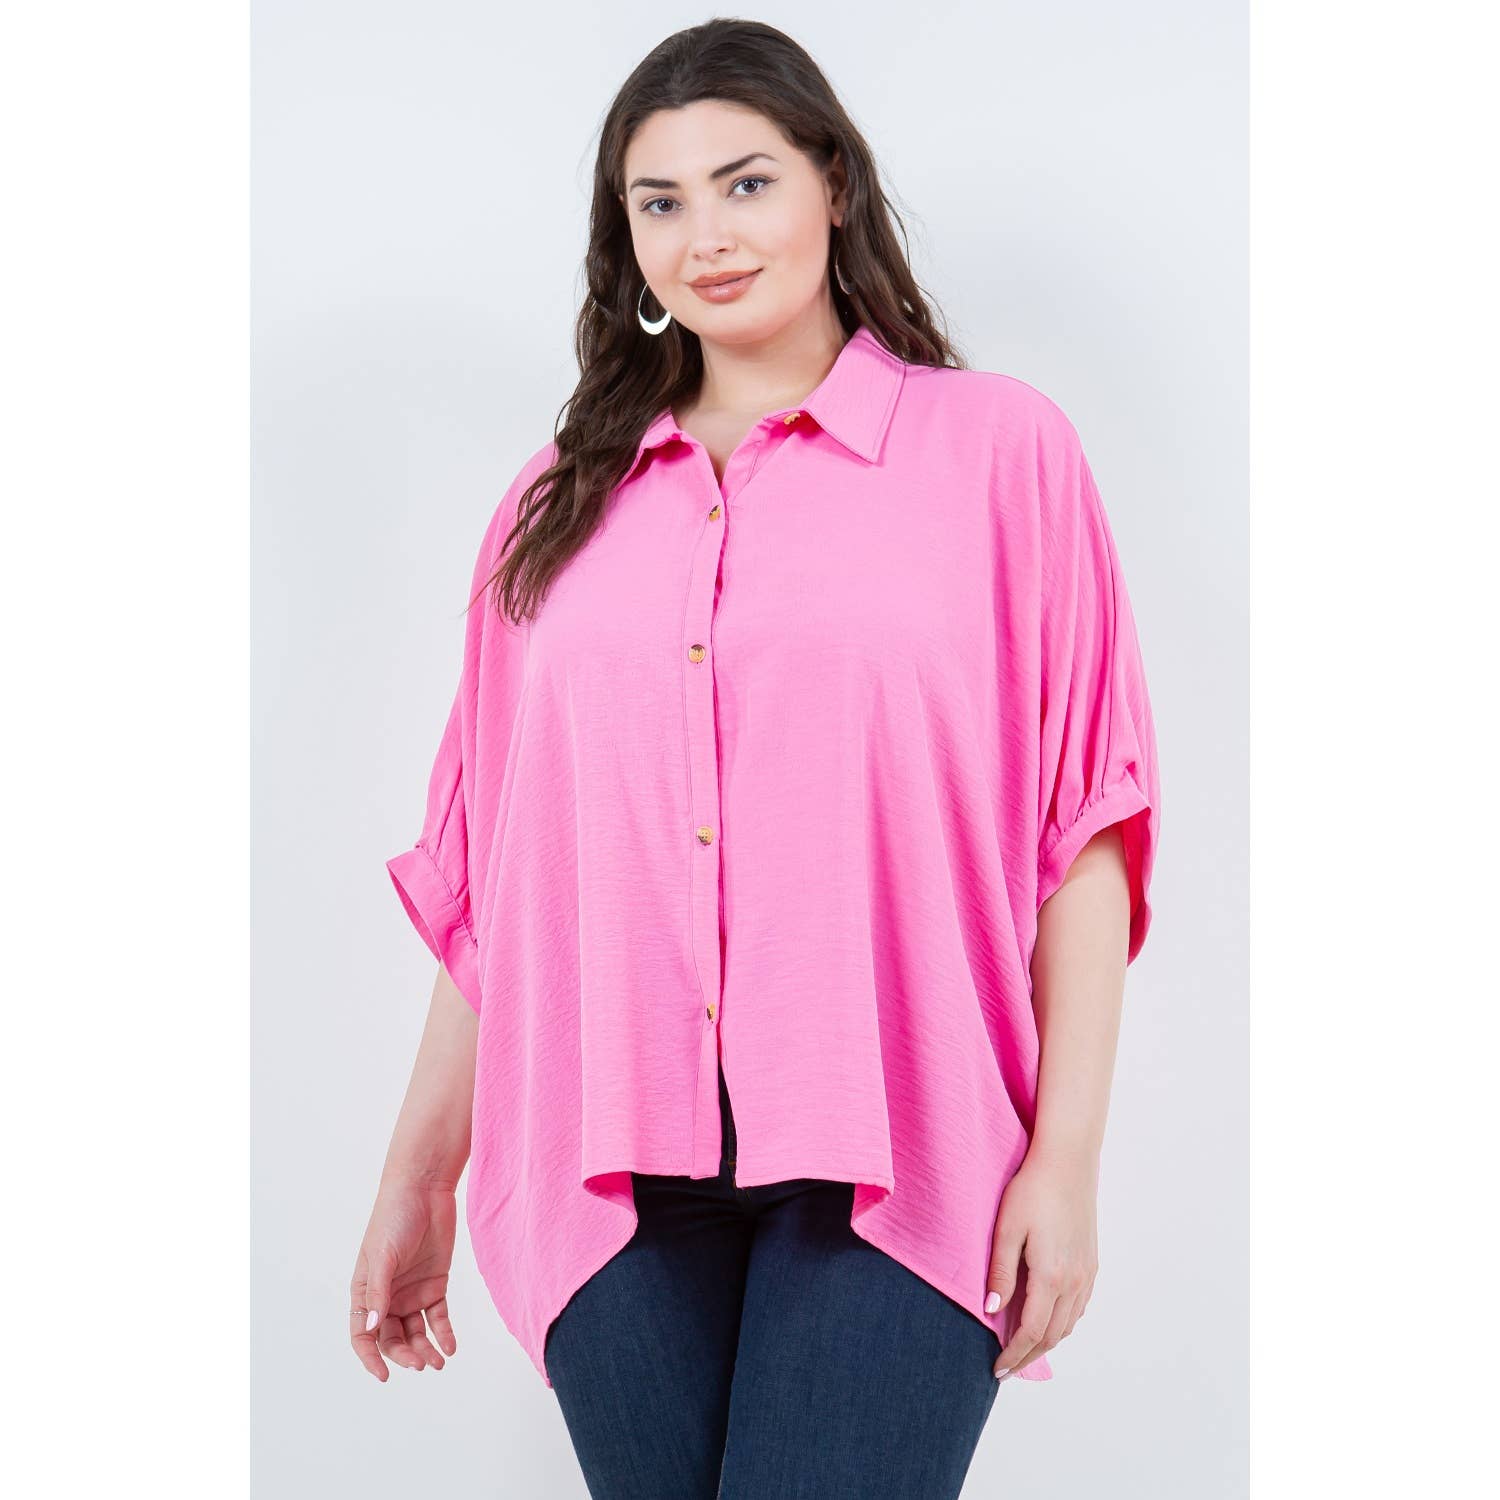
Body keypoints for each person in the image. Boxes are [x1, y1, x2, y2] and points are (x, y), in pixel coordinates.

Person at [348, 18, 1161, 1499]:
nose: (705, 237)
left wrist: (1067, 1160)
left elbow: (1083, 830)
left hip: (900, 1150)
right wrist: (420, 1173)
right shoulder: (552, 508)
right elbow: (499, 890)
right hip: (606, 1167)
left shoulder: (998, 454)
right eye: (659, 202)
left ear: (833, 185)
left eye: (745, 183)